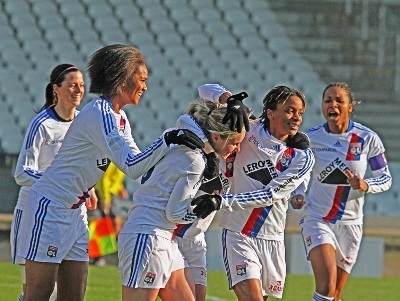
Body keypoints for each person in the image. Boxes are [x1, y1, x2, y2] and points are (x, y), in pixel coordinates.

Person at [16, 44, 204, 301]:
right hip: (50, 207)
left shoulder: (119, 118)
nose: (145, 87)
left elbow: (142, 171)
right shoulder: (99, 112)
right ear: (122, 78)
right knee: (39, 293)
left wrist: (188, 161)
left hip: (76, 213)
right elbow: (131, 165)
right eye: (141, 79)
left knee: (73, 296)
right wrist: (167, 139)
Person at [191, 84, 315, 301]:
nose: (296, 117)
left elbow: (270, 195)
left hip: (273, 237)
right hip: (239, 233)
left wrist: (221, 201)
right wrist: (231, 100)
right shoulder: (248, 130)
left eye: (300, 113)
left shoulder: (302, 156)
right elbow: (204, 89)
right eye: (289, 110)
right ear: (270, 112)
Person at [118, 100, 250, 301]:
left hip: (163, 239)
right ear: (216, 137)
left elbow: (186, 119)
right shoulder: (195, 161)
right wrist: (200, 209)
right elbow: (175, 213)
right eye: (234, 142)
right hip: (147, 237)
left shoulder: (187, 147)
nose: (237, 149)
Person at [289, 82, 392, 301]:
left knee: (335, 295)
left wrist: (367, 185)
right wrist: (298, 192)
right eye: (328, 100)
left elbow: (385, 178)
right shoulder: (311, 139)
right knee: (326, 286)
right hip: (318, 218)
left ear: (350, 106)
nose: (332, 104)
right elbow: (302, 172)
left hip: (351, 224)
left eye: (338, 100)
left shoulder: (367, 138)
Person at [11, 63, 94, 301]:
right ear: (56, 89)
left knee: (69, 291)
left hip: (71, 212)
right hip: (35, 211)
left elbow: (82, 164)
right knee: (35, 290)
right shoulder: (42, 124)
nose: (78, 91)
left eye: (81, 85)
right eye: (72, 85)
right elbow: (22, 173)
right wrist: (57, 184)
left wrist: (90, 188)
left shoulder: (83, 123)